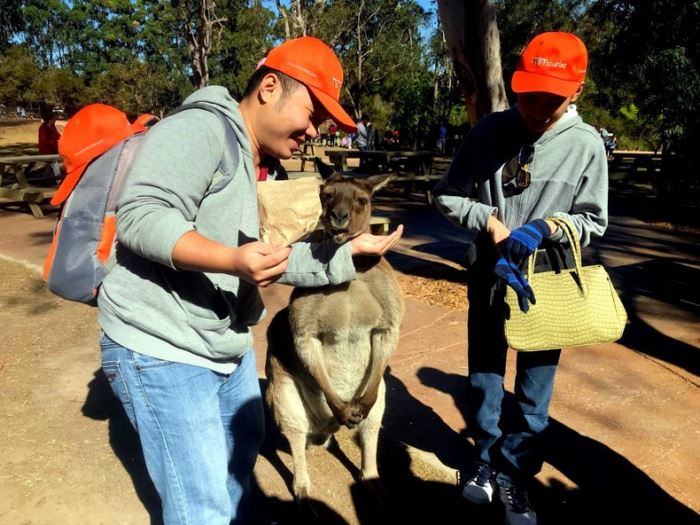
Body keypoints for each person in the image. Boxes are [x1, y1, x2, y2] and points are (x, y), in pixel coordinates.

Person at [96, 36, 402, 525]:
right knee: (202, 506)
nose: (314, 129)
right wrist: (231, 260)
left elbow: (272, 260)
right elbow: (139, 216)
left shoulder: (259, 162)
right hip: (162, 346)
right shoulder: (201, 129)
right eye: (311, 111)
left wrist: (346, 255)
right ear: (269, 87)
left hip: (223, 338)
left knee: (240, 474)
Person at [433, 32, 607, 525]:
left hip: (546, 286)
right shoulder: (489, 132)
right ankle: (485, 461)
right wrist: (489, 221)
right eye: (527, 92)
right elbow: (447, 195)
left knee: (534, 390)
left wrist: (550, 226)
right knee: (485, 378)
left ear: (577, 90)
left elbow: (594, 220)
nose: (534, 106)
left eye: (550, 98)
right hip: (490, 276)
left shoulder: (587, 146)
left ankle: (516, 475)